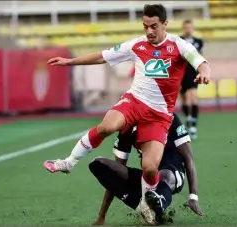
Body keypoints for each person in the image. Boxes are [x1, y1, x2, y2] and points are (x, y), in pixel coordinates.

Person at [44, 4, 210, 222]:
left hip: (159, 116)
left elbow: (201, 62)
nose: (149, 31)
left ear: (165, 25)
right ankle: (68, 162)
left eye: (154, 26)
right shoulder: (136, 45)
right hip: (134, 102)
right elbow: (102, 56)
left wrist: (204, 73)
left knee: (150, 169)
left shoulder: (179, 45)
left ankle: (145, 203)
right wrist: (69, 62)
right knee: (106, 126)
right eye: (145, 26)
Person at [90, 113, 204, 225]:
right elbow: (117, 170)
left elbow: (188, 158)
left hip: (173, 173)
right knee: (98, 164)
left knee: (163, 175)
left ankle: (160, 204)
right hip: (148, 180)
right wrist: (102, 216)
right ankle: (142, 206)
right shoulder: (128, 125)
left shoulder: (169, 116)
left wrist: (193, 196)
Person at [179, 19, 204, 140]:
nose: (188, 29)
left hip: (193, 72)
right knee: (184, 99)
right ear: (183, 28)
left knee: (193, 96)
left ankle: (193, 126)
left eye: (190, 27)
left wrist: (202, 70)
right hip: (181, 73)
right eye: (186, 27)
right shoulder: (178, 41)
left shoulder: (198, 42)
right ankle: (188, 118)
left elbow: (200, 56)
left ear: (192, 28)